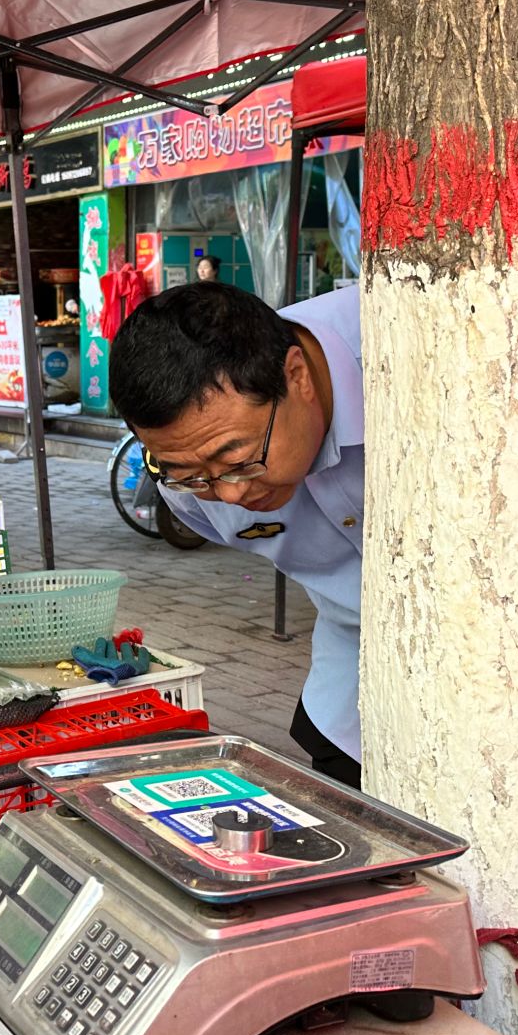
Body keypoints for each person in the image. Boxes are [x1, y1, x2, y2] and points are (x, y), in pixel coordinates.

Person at [109, 280, 365, 786]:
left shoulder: (416, 340)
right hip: (352, 692)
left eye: (239, 460)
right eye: (193, 474)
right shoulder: (183, 486)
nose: (229, 494)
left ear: (297, 376)